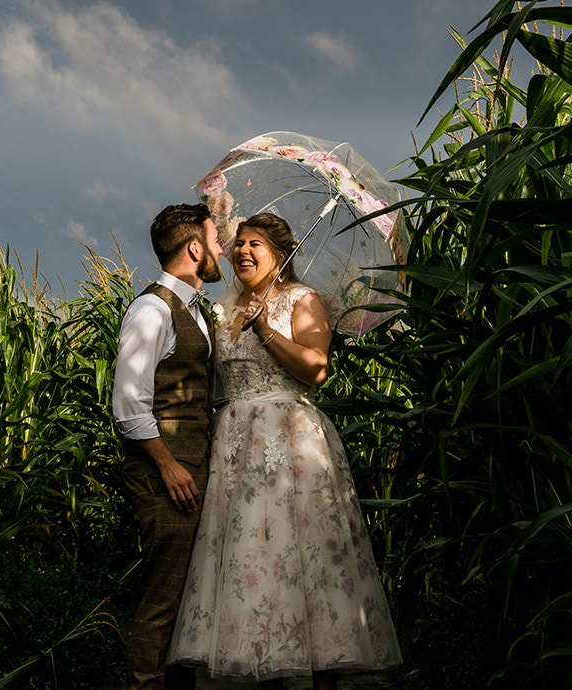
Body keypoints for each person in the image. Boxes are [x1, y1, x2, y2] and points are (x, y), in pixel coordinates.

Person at [167, 213, 402, 690]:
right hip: (234, 445)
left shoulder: (302, 300)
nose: (243, 252)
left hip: (290, 443)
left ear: (280, 253)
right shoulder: (221, 309)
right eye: (238, 245)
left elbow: (317, 370)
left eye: (256, 244)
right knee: (253, 562)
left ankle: (322, 678)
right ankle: (264, 671)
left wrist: (267, 332)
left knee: (307, 556)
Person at [112, 203, 223, 690]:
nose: (222, 247)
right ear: (195, 248)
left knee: (185, 599)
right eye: (216, 239)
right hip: (167, 474)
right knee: (162, 596)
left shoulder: (199, 313)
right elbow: (128, 403)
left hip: (193, 468)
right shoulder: (152, 309)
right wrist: (168, 467)